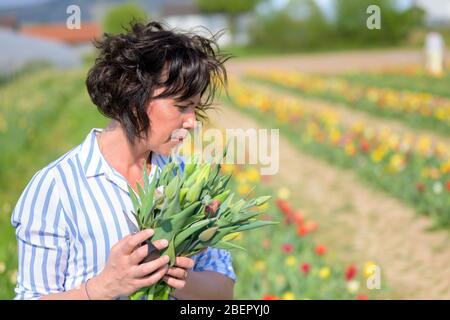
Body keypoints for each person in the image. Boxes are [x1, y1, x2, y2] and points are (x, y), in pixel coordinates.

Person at [10, 21, 236, 300]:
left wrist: (177, 277)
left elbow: (224, 292)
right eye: (181, 106)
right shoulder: (56, 188)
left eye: (195, 108)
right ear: (133, 97)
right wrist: (103, 287)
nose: (192, 122)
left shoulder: (189, 179)